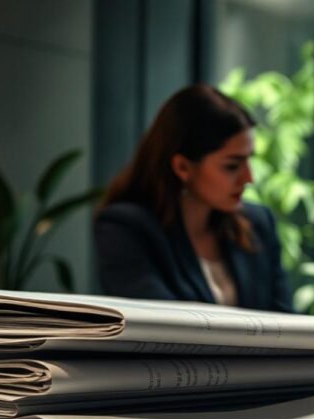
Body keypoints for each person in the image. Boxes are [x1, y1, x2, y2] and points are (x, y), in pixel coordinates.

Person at [94, 84, 292, 312]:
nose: (249, 178)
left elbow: (286, 323)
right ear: (182, 167)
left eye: (249, 160)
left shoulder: (258, 224)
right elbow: (162, 328)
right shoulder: (126, 228)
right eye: (232, 166)